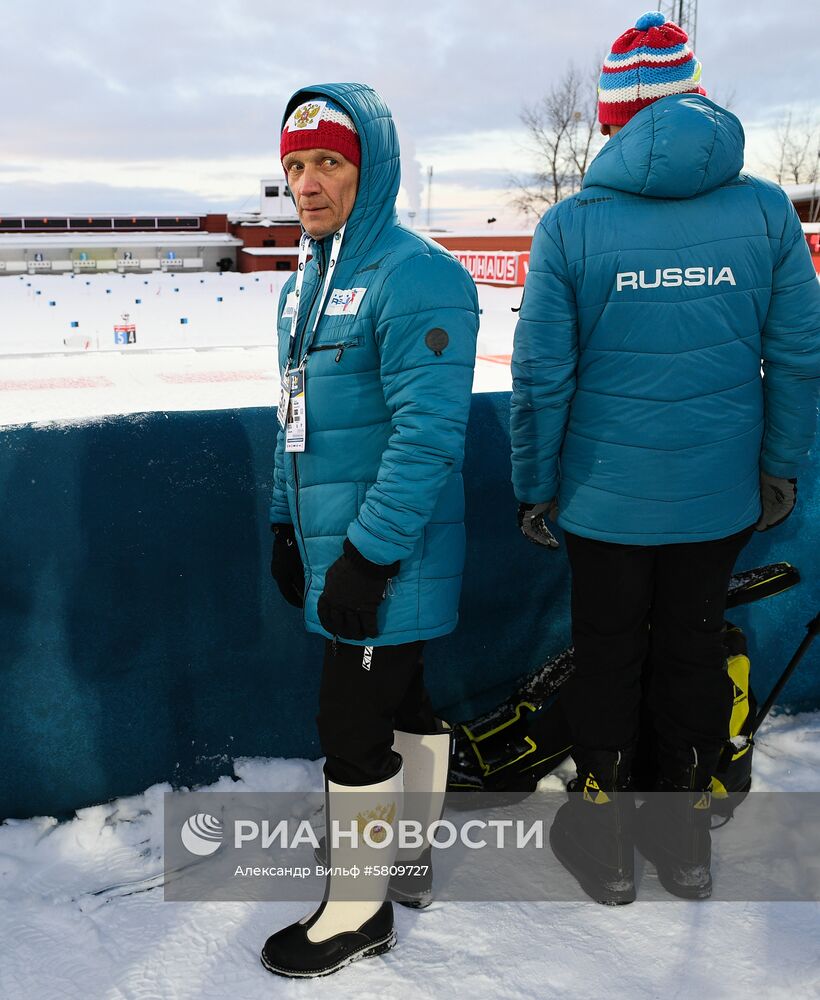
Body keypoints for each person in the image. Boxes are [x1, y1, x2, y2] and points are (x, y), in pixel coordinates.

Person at [511, 11, 820, 904]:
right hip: (718, 496)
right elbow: (798, 354)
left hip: (602, 501)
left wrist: (535, 486)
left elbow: (540, 379)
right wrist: (779, 467)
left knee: (608, 652)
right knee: (689, 649)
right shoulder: (765, 210)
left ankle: (606, 837)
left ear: (612, 121)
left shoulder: (570, 228)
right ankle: (681, 837)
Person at [261, 83, 479, 977]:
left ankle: (359, 912)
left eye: (330, 163)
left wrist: (365, 558)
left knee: (350, 727)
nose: (309, 184)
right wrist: (285, 520)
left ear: (371, 169)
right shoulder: (306, 282)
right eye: (296, 166)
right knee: (407, 701)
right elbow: (295, 417)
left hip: (388, 554)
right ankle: (406, 861)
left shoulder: (418, 275)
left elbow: (429, 436)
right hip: (337, 545)